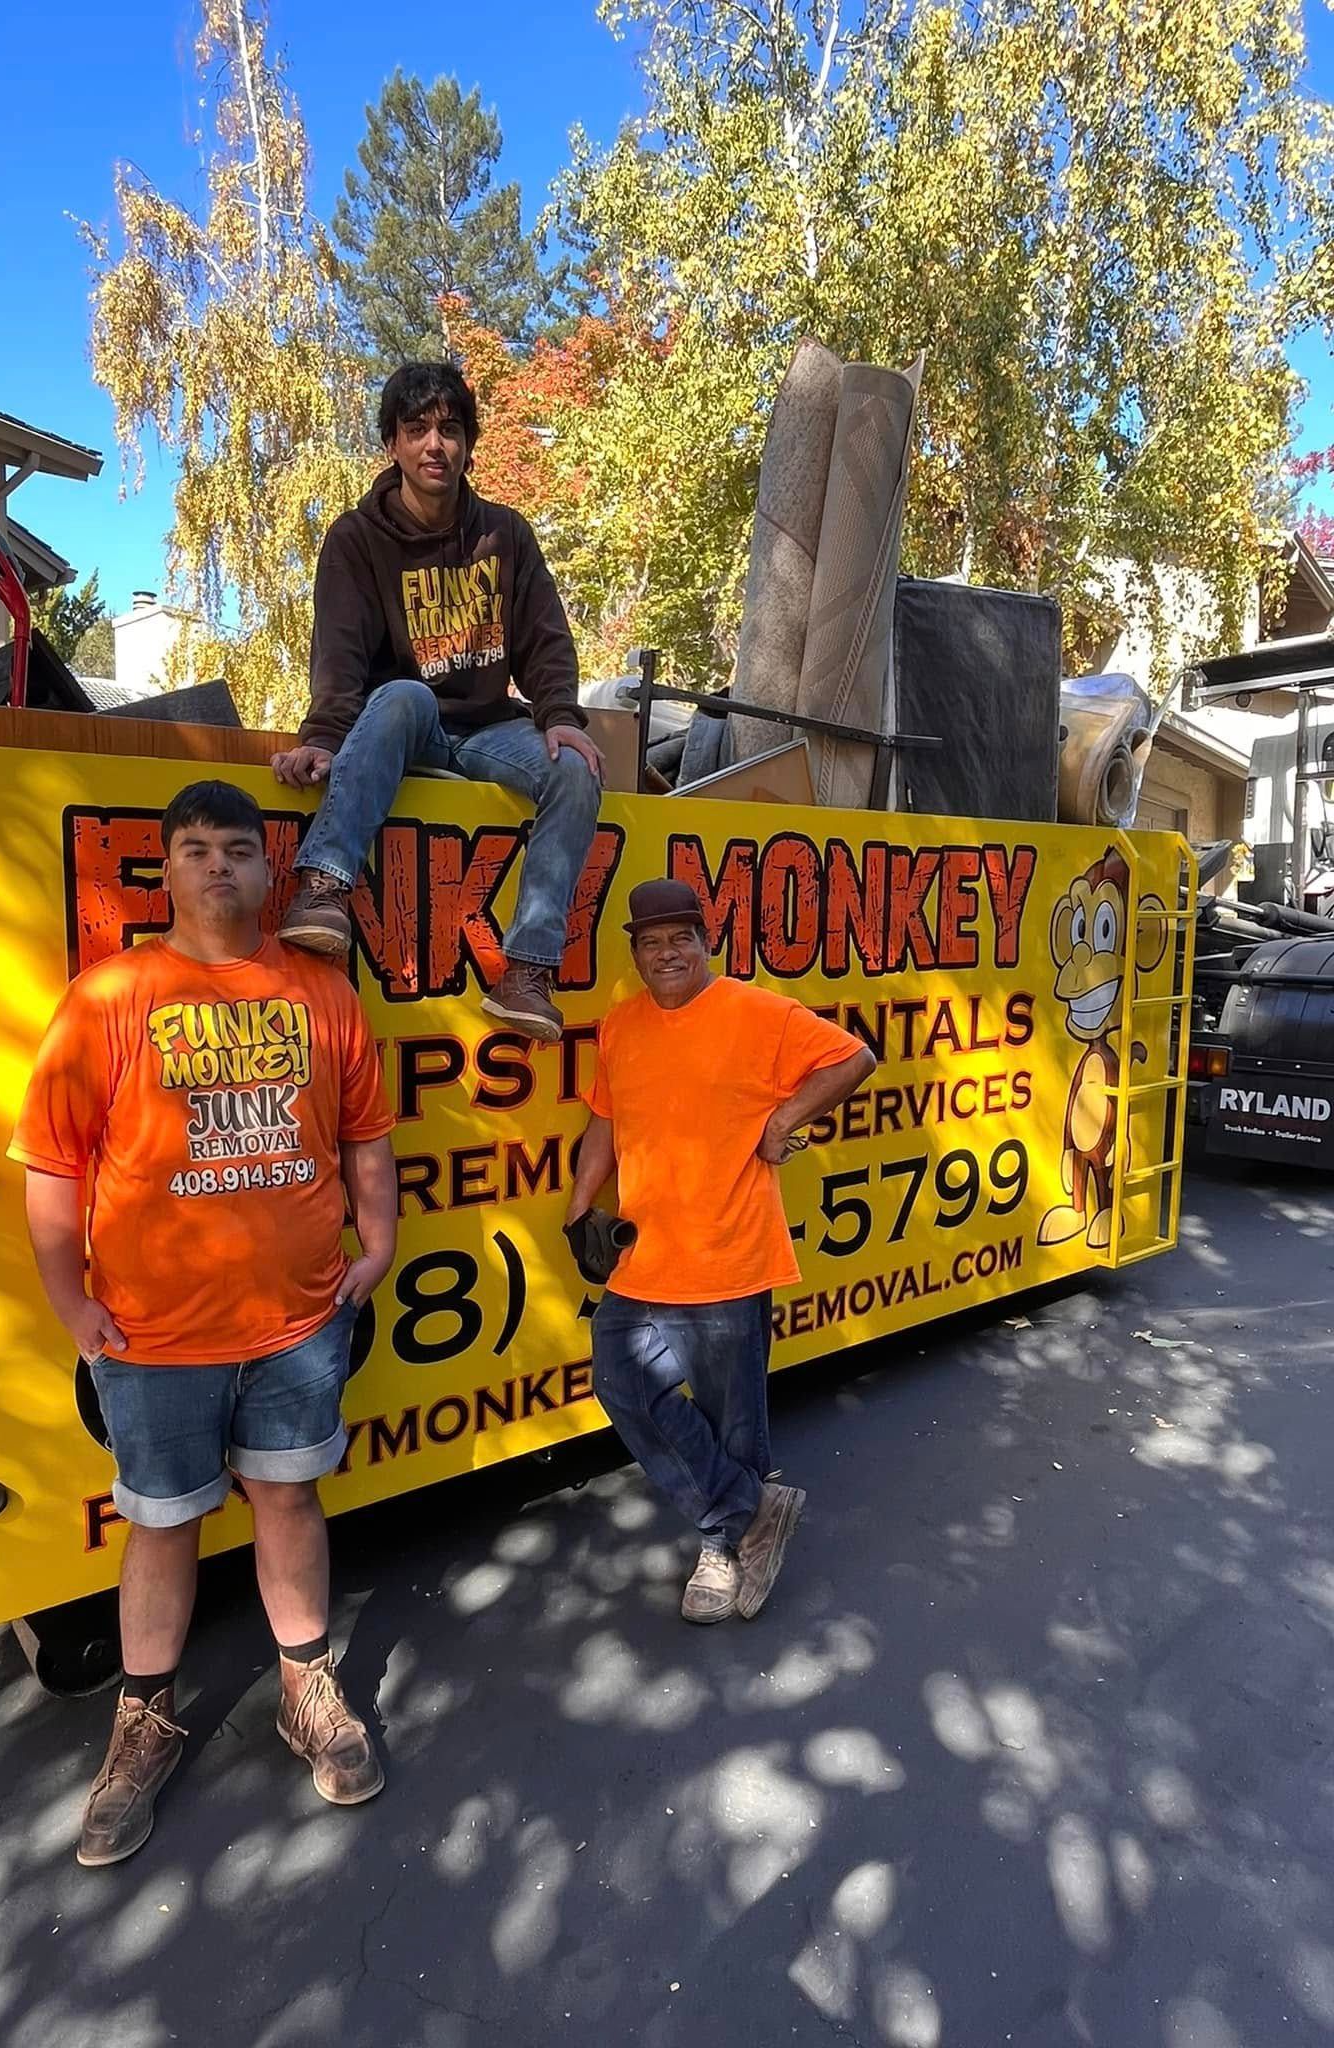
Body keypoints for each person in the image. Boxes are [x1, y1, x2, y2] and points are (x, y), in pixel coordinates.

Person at [9, 780, 397, 1868]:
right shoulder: (110, 993)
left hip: (297, 1320)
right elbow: (52, 1163)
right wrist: (70, 1304)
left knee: (288, 1497)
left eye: (236, 847)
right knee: (162, 1522)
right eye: (193, 848)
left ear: (270, 870)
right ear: (165, 871)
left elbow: (366, 1134)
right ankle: (140, 1725)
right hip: (152, 1336)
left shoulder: (323, 991)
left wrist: (380, 1241)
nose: (217, 865)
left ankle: (306, 1689)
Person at [566, 879, 876, 1626]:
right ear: (635, 954)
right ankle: (753, 1509)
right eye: (651, 942)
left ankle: (719, 1544)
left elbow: (854, 1057)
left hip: (731, 1254)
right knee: (621, 1383)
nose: (666, 952)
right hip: (643, 1253)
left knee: (734, 1423)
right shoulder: (621, 1026)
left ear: (707, 943)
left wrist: (784, 1120)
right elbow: (604, 1120)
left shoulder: (757, 1013)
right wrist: (580, 1203)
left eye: (681, 938)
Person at [271, 360, 603, 1045]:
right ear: (391, 443)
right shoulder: (355, 539)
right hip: (404, 725)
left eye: (450, 430)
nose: (435, 444)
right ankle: (324, 888)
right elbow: (339, 655)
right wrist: (324, 739)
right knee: (400, 694)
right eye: (417, 428)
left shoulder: (505, 534)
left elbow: (545, 639)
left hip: (486, 728)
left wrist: (562, 719)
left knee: (577, 770)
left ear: (468, 444)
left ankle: (527, 971)